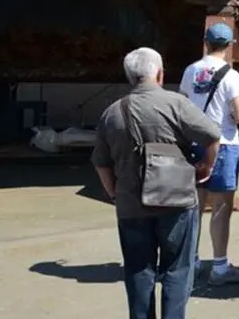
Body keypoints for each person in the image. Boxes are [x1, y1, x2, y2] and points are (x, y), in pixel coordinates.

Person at [91, 47, 222, 319]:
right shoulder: (176, 103)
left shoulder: (112, 113)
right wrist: (205, 169)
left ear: (129, 77)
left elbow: (101, 162)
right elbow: (212, 136)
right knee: (177, 269)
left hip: (130, 203)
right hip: (176, 200)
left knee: (139, 269)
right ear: (160, 73)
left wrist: (114, 193)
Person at [179, 22, 239, 285]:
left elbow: (183, 107)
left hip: (195, 144)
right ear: (230, 44)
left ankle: (192, 261)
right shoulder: (232, 76)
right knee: (221, 208)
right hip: (224, 144)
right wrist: (233, 115)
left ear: (205, 41)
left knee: (194, 206)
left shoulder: (190, 71)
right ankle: (220, 267)